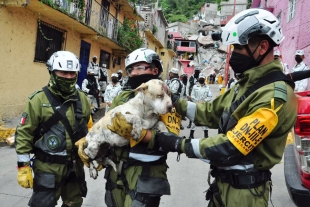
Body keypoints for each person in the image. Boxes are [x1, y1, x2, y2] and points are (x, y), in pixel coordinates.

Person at [107, 9, 298, 207]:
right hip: (222, 186)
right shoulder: (245, 85)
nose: (233, 55)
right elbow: (208, 113)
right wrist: (172, 100)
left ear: (262, 47)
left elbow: (230, 146)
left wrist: (174, 143)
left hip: (245, 195)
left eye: (239, 48)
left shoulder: (274, 95)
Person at [77, 48, 181, 207]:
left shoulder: (167, 100)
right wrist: (91, 141)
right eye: (131, 69)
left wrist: (137, 134)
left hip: (146, 174)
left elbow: (170, 139)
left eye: (139, 68)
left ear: (155, 69)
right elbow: (107, 125)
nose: (133, 73)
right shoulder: (123, 96)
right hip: (116, 172)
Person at [15, 51, 92, 207]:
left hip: (74, 166)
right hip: (47, 166)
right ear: (52, 72)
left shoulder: (82, 98)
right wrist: (23, 167)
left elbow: (88, 127)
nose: (69, 77)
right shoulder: (37, 100)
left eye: (72, 73)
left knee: (74, 202)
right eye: (63, 72)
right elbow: (24, 133)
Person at [188, 73, 212, 138]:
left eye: (202, 79)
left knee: (205, 120)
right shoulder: (195, 87)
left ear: (204, 79)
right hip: (196, 106)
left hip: (204, 106)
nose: (201, 80)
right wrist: (197, 101)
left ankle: (206, 136)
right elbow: (192, 96)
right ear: (198, 79)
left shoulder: (208, 87)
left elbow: (210, 96)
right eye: (200, 78)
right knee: (194, 120)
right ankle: (191, 135)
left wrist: (204, 101)